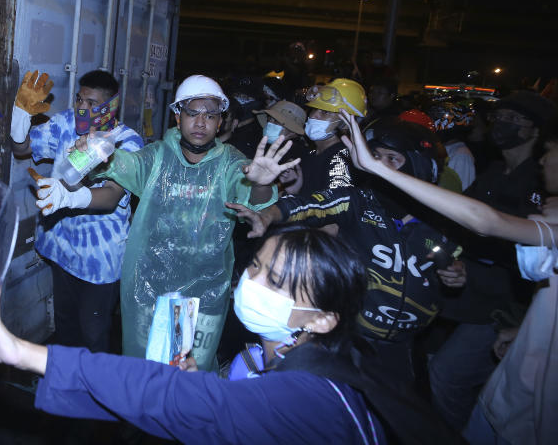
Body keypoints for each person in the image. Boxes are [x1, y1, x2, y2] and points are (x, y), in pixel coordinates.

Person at [0, 231, 457, 444]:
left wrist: (22, 352)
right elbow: (201, 404)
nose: (252, 283)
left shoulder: (315, 396)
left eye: (275, 282)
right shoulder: (264, 354)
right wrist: (206, 383)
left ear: (322, 320)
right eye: (255, 266)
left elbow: (178, 402)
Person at [340, 109, 558, 444]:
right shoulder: (496, 172)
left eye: (552, 151)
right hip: (518, 353)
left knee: (442, 382)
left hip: (495, 316)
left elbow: (482, 223)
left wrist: (376, 169)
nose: (545, 160)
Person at [231, 118, 468, 389]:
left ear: (422, 166)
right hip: (347, 339)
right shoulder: (358, 202)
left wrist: (456, 274)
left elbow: (455, 263)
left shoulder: (442, 220)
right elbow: (306, 205)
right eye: (375, 156)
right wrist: (267, 215)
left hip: (405, 348)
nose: (379, 165)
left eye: (393, 159)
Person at [84, 75, 296, 371]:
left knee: (189, 377)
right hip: (148, 289)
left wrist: (261, 183)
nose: (201, 122)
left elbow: (255, 196)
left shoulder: (230, 163)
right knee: (143, 373)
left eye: (211, 115)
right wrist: (95, 151)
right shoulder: (156, 157)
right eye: (192, 113)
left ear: (220, 122)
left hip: (204, 295)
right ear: (177, 116)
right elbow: (121, 165)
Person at [424, 89, 557, 430]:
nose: (502, 125)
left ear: (537, 131)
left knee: (447, 375)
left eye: (515, 119)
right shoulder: (494, 170)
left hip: (505, 307)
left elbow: (499, 233)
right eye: (500, 117)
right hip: (465, 292)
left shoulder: (545, 189)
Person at [9, 69, 143, 352]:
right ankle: (66, 387)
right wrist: (20, 116)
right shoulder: (65, 123)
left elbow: (111, 197)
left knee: (93, 335)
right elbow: (22, 149)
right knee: (66, 328)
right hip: (63, 249)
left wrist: (71, 198)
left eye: (92, 103)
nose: (82, 107)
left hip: (99, 260)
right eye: (80, 99)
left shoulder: (126, 141)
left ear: (110, 106)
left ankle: (95, 392)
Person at [298, 78, 367, 198]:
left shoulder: (341, 160)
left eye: (325, 112)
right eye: (314, 108)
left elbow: (334, 209)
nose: (314, 115)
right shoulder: (312, 153)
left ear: (345, 123)